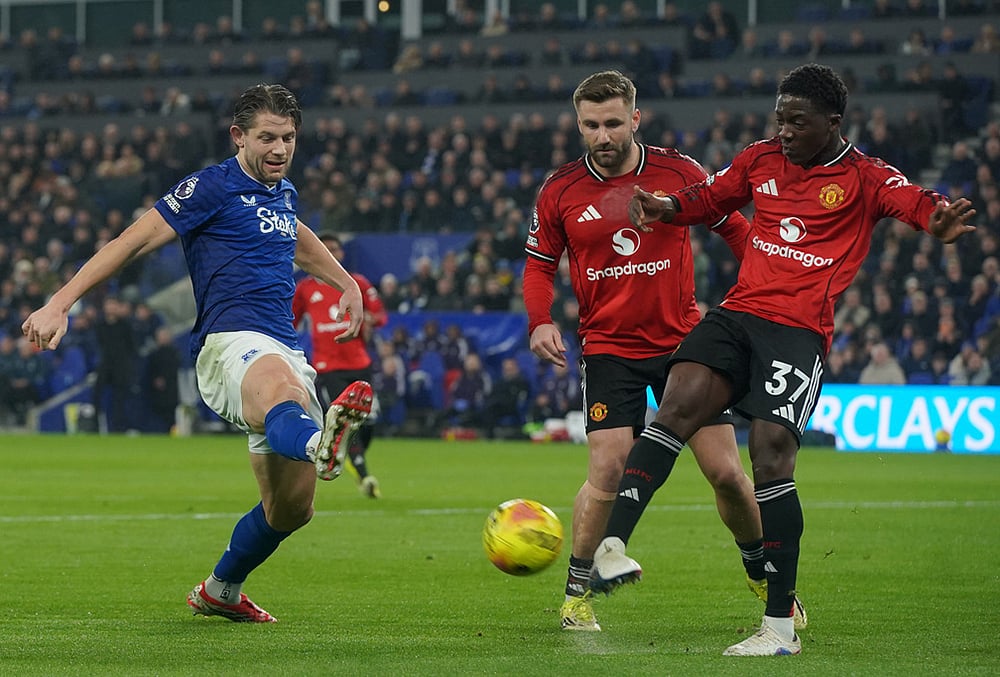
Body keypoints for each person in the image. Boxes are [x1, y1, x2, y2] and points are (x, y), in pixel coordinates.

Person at [591, 63, 976, 656]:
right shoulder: (761, 158)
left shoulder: (865, 176)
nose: (786, 131)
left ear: (833, 123)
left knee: (769, 455)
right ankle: (611, 548)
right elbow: (712, 197)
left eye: (799, 122)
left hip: (797, 333)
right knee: (676, 405)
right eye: (780, 119)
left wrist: (937, 220)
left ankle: (778, 627)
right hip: (737, 314)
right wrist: (668, 205)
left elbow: (915, 201)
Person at [21, 84, 375, 623]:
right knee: (280, 390)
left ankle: (221, 588)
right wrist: (59, 303)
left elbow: (295, 236)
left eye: (289, 138)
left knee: (291, 510)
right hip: (230, 341)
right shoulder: (210, 187)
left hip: (281, 344)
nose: (279, 149)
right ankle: (317, 441)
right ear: (238, 136)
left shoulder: (283, 191)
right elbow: (131, 242)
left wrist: (344, 280)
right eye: (267, 138)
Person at [522, 70, 803, 633]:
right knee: (606, 467)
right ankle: (578, 594)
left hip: (684, 344)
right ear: (579, 124)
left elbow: (736, 228)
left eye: (612, 123)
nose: (602, 135)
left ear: (635, 118)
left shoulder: (679, 173)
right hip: (608, 349)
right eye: (590, 125)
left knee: (725, 470)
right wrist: (539, 322)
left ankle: (760, 571)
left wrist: (768, 288)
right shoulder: (559, 190)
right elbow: (538, 263)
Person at [293, 232, 387, 498]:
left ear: (342, 253)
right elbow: (291, 320)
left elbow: (380, 314)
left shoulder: (356, 283)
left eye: (335, 249)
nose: (331, 254)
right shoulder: (305, 289)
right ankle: (365, 475)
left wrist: (370, 318)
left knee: (368, 422)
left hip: (359, 361)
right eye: (326, 249)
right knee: (345, 419)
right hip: (327, 367)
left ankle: (352, 458)